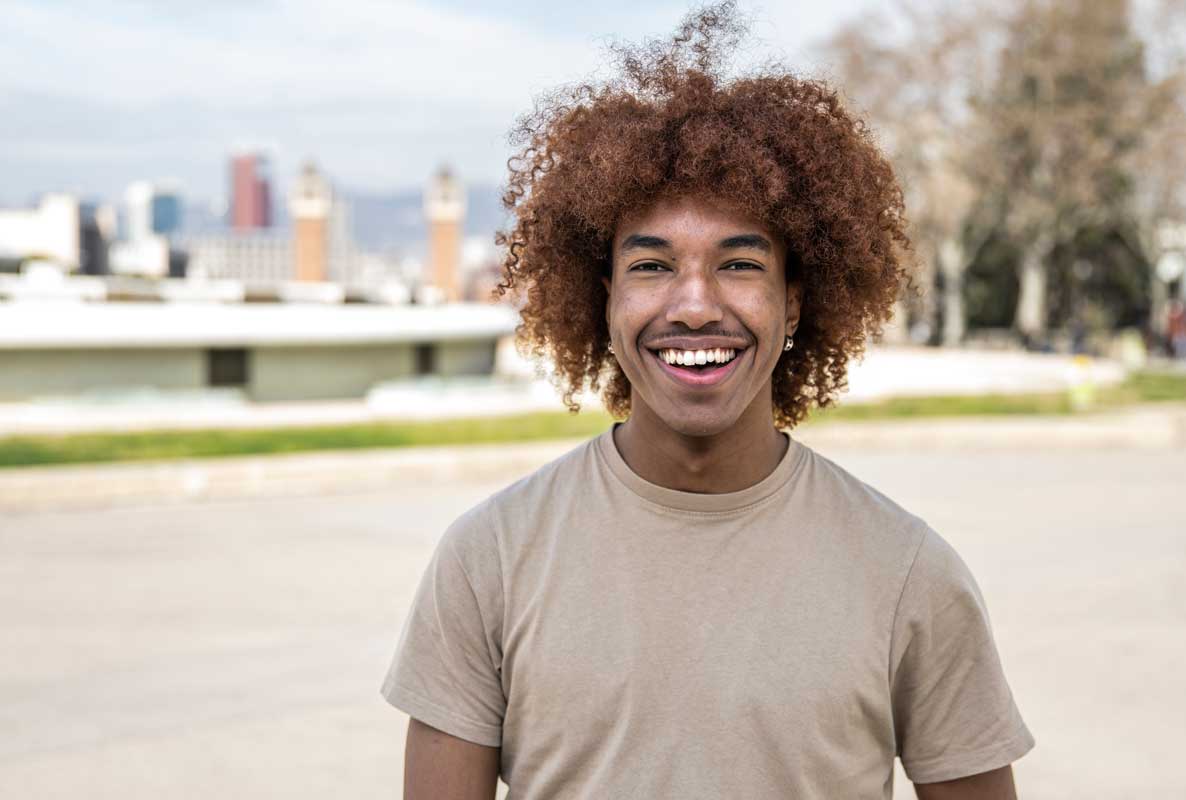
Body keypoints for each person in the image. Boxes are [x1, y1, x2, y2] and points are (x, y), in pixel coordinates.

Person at [382, 4, 1034, 798]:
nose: (693, 306)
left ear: (795, 301)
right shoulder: (488, 560)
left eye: (739, 264)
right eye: (653, 266)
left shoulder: (908, 573)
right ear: (604, 301)